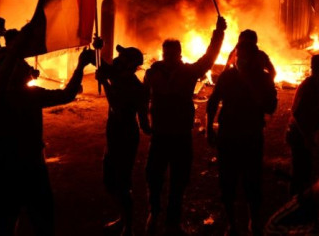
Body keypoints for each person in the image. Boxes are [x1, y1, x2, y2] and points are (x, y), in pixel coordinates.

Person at [0, 17, 95, 236]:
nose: (27, 68)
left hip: (2, 167)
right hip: (30, 166)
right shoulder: (27, 96)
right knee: (40, 221)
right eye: (22, 66)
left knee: (5, 224)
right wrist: (80, 66)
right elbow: (67, 94)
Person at [143, 15, 226, 235]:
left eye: (172, 53)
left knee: (179, 180)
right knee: (154, 176)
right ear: (163, 54)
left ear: (179, 54)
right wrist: (143, 120)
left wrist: (218, 34)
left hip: (180, 134)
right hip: (160, 134)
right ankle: (154, 213)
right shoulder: (153, 73)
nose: (169, 57)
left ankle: (172, 221)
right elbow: (143, 98)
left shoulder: (189, 72)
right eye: (166, 53)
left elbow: (209, 58)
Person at [207, 40, 278, 236]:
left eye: (245, 54)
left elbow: (270, 106)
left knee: (252, 182)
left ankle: (253, 222)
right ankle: (232, 224)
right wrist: (208, 129)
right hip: (228, 136)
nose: (241, 58)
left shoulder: (263, 79)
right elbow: (213, 101)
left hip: (250, 136)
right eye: (239, 54)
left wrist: (248, 82)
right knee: (227, 182)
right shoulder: (227, 76)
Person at [96, 44, 151, 236]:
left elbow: (118, 107)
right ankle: (123, 218)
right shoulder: (119, 76)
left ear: (130, 65)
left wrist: (104, 83)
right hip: (113, 135)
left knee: (121, 182)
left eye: (123, 57)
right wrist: (97, 49)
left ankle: (128, 227)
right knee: (110, 181)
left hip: (125, 137)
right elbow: (103, 67)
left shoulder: (135, 87)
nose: (117, 59)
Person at [285, 54, 319, 196]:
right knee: (301, 170)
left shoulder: (317, 85)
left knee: (306, 169)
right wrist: (306, 137)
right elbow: (298, 114)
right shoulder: (309, 86)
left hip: (306, 133)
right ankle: (296, 199)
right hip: (299, 135)